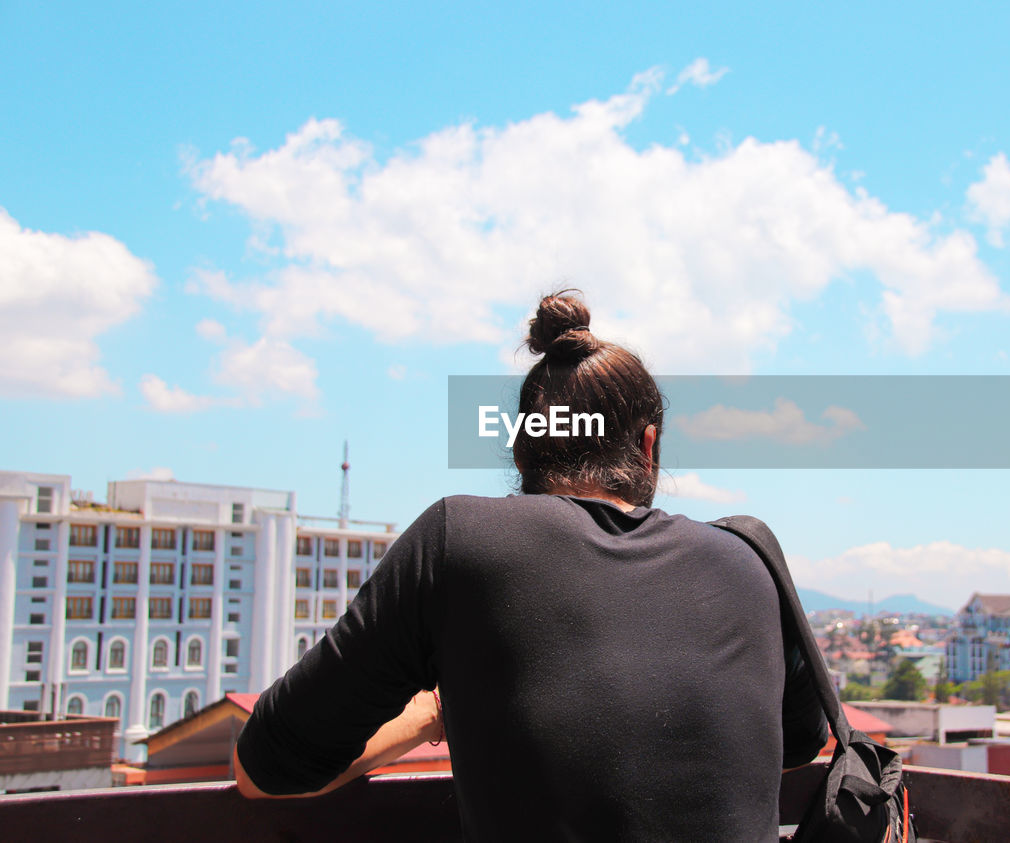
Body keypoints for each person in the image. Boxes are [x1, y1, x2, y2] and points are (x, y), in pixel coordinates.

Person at [233, 290, 828, 841]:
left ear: (522, 448)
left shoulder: (459, 540)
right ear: (648, 447)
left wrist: (433, 714)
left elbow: (263, 767)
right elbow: (800, 741)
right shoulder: (747, 559)